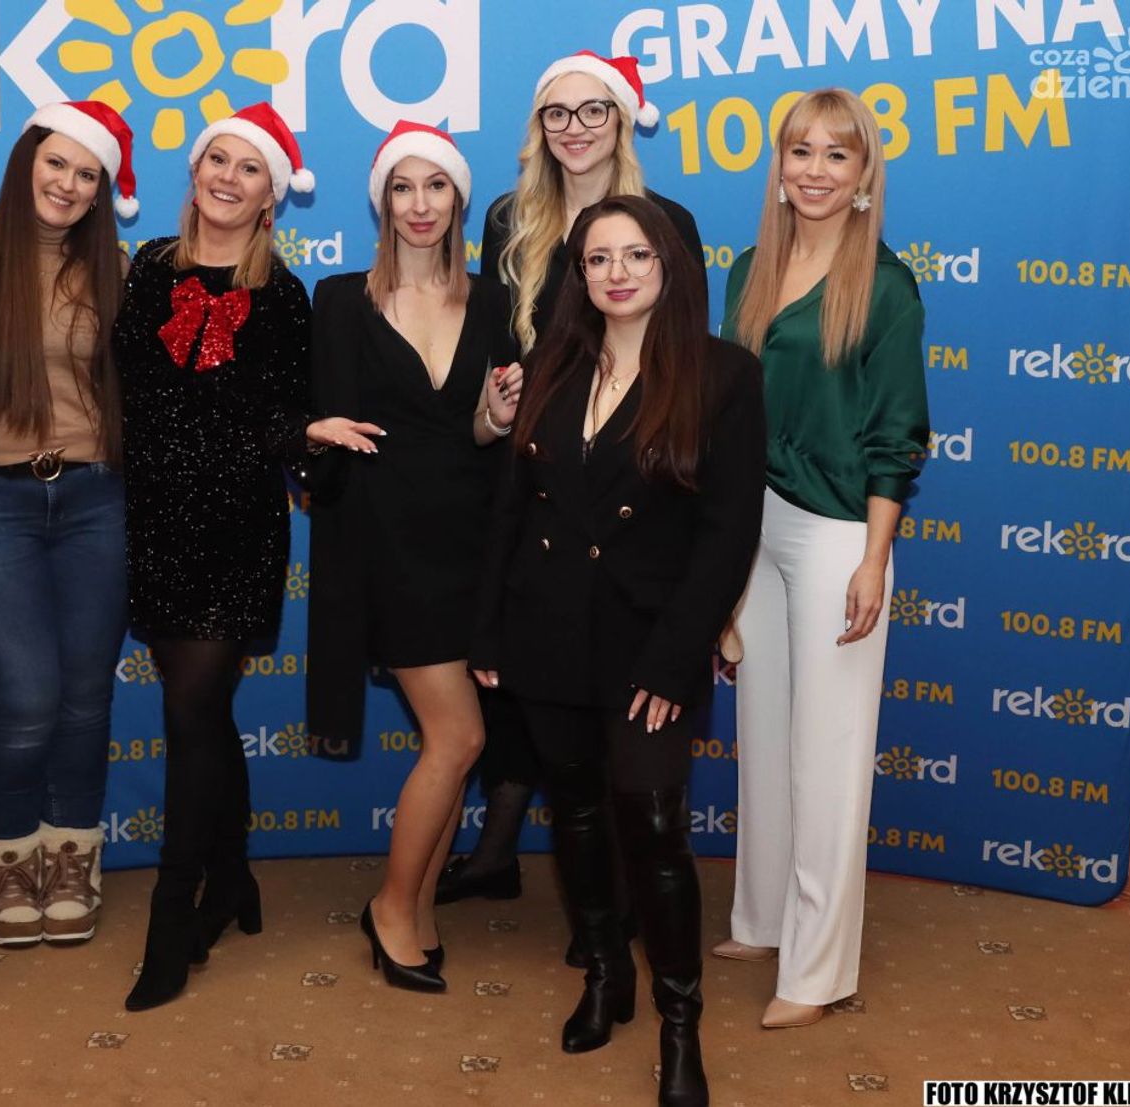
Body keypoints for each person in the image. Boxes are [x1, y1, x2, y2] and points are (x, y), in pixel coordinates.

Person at [472, 195, 765, 1106]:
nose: (618, 272)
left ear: (670, 264)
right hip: (547, 630)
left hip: (651, 643)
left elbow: (727, 536)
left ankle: (681, 1023)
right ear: (579, 276)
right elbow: (512, 508)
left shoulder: (724, 375)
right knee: (577, 815)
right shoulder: (549, 366)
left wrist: (677, 658)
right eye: (598, 258)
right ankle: (605, 973)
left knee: (653, 825)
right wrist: (487, 627)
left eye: (637, 254)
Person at [439, 50, 705, 924]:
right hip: (529, 481)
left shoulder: (666, 223)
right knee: (528, 680)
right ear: (538, 128)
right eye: (558, 112)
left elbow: (688, 368)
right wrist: (492, 404)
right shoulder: (510, 221)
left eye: (595, 110)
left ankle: (612, 901)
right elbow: (492, 348)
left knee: (612, 700)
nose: (576, 127)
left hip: (629, 493)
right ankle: (510, 859)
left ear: (621, 121)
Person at [113, 102, 341, 1011]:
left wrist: (307, 434)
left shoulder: (282, 295)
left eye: (250, 168)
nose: (228, 178)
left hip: (237, 528)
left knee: (190, 713)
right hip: (155, 522)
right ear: (196, 170)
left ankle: (173, 916)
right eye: (218, 159)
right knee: (202, 714)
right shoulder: (147, 268)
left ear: (270, 196)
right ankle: (235, 876)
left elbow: (280, 415)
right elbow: (126, 390)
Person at [713, 89, 930, 1030]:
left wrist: (875, 558)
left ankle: (819, 967)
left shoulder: (886, 285)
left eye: (837, 155)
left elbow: (898, 432)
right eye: (800, 151)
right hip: (750, 523)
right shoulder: (749, 269)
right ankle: (763, 918)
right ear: (780, 166)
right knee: (763, 732)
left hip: (840, 529)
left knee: (829, 753)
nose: (815, 170)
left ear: (864, 173)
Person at [305, 123, 522, 991]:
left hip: (474, 543)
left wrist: (495, 418)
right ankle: (392, 907)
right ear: (382, 202)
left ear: (458, 199)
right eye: (404, 187)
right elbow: (323, 428)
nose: (420, 204)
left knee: (457, 743)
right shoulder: (339, 300)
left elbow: (482, 434)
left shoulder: (495, 303)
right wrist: (314, 431)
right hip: (387, 546)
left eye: (437, 186)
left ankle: (420, 906)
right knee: (459, 734)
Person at [0, 101, 136, 948]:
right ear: (26, 162)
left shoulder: (115, 267)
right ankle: (8, 859)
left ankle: (72, 857)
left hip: (97, 498)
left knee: (86, 698)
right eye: (57, 164)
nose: (69, 184)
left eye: (88, 174)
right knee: (23, 699)